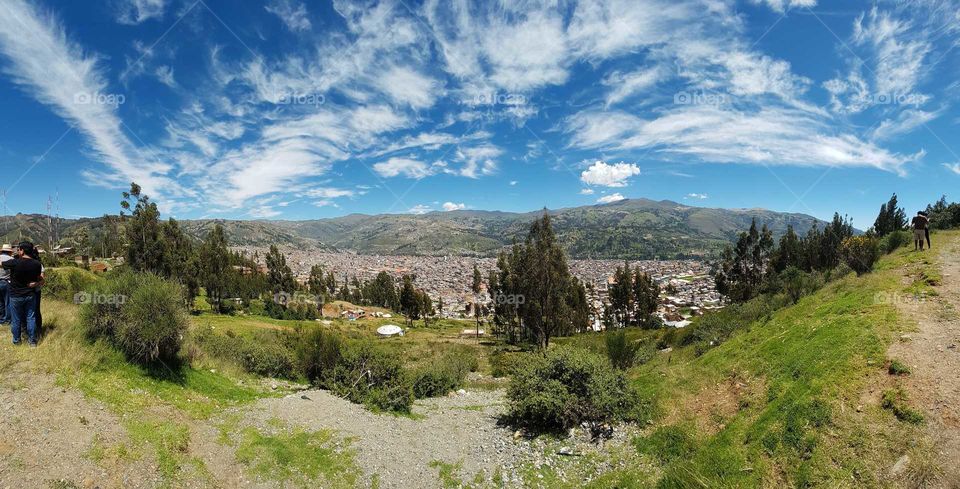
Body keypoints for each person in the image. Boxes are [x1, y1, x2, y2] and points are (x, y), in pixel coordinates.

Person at [2, 242, 44, 347]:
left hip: (16, 296)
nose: (18, 251)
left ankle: (17, 341)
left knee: (16, 319)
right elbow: (41, 280)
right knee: (31, 318)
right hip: (30, 295)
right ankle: (32, 341)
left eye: (19, 249)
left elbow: (1, 264)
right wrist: (36, 284)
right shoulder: (37, 264)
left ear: (22, 251)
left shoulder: (15, 262)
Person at [0, 244, 12, 325]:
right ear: (9, 252)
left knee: (0, 302)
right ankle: (7, 320)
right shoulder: (11, 259)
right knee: (8, 302)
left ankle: (1, 319)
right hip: (6, 282)